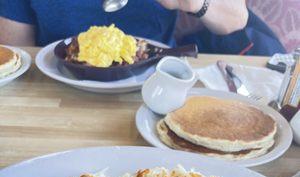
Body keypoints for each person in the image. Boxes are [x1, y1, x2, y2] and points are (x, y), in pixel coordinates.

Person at [0, 0, 285, 55]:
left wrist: (195, 3)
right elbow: (17, 54)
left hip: (154, 82)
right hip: (60, 86)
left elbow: (235, 18)